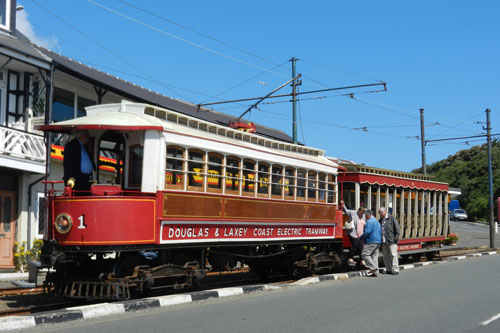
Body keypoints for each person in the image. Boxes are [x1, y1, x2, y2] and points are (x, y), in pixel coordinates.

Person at [63, 129, 94, 194]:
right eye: (86, 135)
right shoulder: (71, 146)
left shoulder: (83, 147)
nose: (88, 137)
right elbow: (67, 163)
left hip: (86, 179)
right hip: (76, 179)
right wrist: (69, 177)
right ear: (81, 136)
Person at [340, 200, 365, 265]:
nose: (361, 215)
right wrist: (343, 205)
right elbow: (346, 211)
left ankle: (362, 260)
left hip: (361, 235)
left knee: (361, 247)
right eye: (361, 213)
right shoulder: (353, 213)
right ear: (359, 211)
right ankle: (350, 258)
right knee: (354, 245)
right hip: (353, 233)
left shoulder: (363, 216)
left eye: (362, 214)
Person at [379, 207, 401, 275]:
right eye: (379, 213)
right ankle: (388, 269)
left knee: (393, 255)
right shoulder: (381, 220)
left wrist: (395, 238)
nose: (380, 215)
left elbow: (397, 229)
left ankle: (395, 269)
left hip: (391, 240)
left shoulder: (391, 218)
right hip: (384, 240)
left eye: (381, 213)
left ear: (384, 212)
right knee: (386, 255)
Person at [360, 209, 381, 277]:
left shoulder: (369, 222)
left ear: (368, 215)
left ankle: (374, 268)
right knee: (374, 256)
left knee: (365, 254)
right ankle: (375, 272)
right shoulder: (377, 222)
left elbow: (367, 232)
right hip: (378, 241)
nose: (365, 217)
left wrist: (361, 238)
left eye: (365, 216)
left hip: (371, 241)